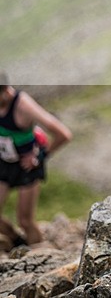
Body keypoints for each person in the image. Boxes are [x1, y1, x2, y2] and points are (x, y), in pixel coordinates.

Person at [0, 71, 72, 247]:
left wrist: (39, 156)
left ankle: (38, 254)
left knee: (25, 220)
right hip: (4, 162)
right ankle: (16, 241)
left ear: (4, 91)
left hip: (27, 167)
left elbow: (63, 134)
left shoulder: (23, 105)